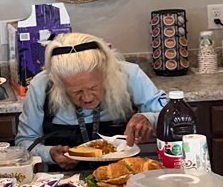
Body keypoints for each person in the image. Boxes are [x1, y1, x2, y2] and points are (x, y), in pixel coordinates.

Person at [15, 32, 167, 170]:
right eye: (76, 92)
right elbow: (24, 143)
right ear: (59, 84)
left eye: (94, 87)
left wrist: (149, 118)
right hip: (63, 183)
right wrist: (49, 154)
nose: (87, 98)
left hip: (124, 175)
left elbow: (172, 118)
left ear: (106, 72)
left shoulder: (129, 75)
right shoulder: (41, 85)